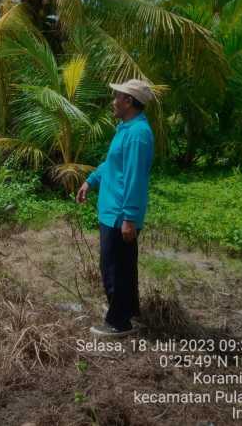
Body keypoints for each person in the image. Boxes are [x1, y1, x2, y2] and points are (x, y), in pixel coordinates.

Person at [76, 79, 155, 337]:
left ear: (129, 101)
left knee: (114, 269)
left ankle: (118, 322)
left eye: (117, 96)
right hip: (114, 212)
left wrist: (129, 218)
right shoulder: (126, 128)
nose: (113, 101)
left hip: (120, 215)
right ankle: (128, 312)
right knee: (124, 267)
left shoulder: (137, 135)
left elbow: (135, 178)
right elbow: (113, 165)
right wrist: (91, 181)